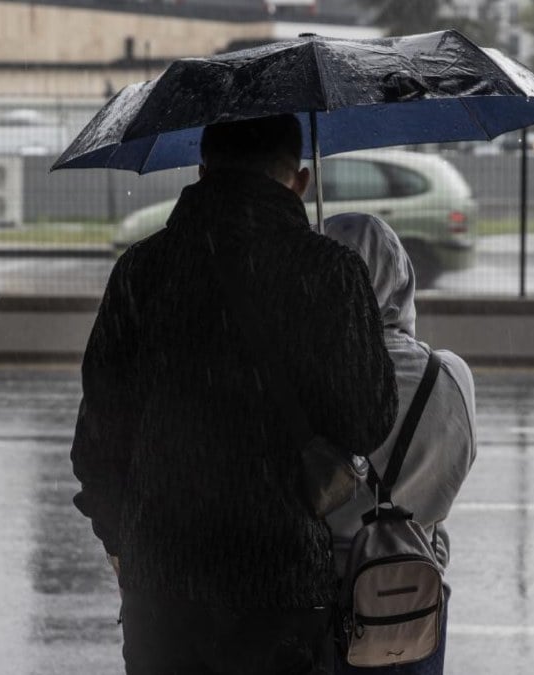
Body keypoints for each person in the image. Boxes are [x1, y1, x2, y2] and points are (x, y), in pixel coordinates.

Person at [70, 114, 398, 675]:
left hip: (164, 584)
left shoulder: (141, 270)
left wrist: (121, 541)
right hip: (283, 583)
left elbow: (97, 440)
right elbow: (368, 419)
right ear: (300, 182)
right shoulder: (330, 271)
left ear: (201, 171)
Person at [323, 213, 477, 675]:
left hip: (325, 605)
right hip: (416, 601)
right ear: (402, 275)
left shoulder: (305, 380)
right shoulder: (450, 376)